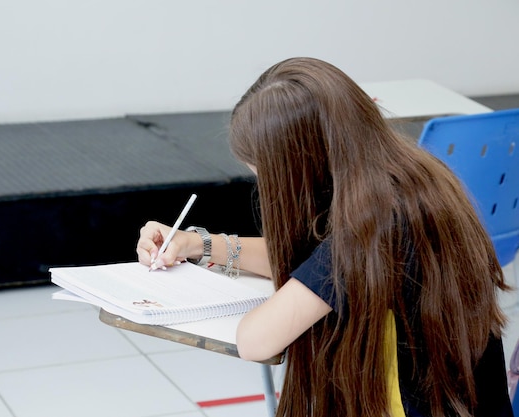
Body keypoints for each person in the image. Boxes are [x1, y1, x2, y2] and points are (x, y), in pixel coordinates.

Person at [136, 57, 513, 417]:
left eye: (266, 174)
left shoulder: (372, 229)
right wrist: (198, 244)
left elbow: (256, 341)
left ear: (302, 164)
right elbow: (309, 265)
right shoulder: (412, 179)